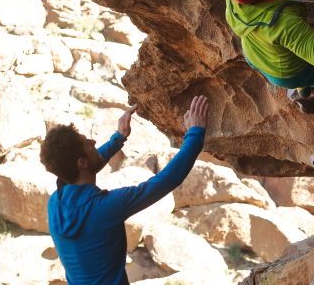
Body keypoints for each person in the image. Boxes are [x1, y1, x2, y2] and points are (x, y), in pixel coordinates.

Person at [39, 96, 209, 284]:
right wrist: (195, 133)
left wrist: (118, 138)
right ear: (82, 163)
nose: (94, 141)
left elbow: (86, 168)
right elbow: (165, 181)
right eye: (87, 143)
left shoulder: (56, 202)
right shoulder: (105, 208)